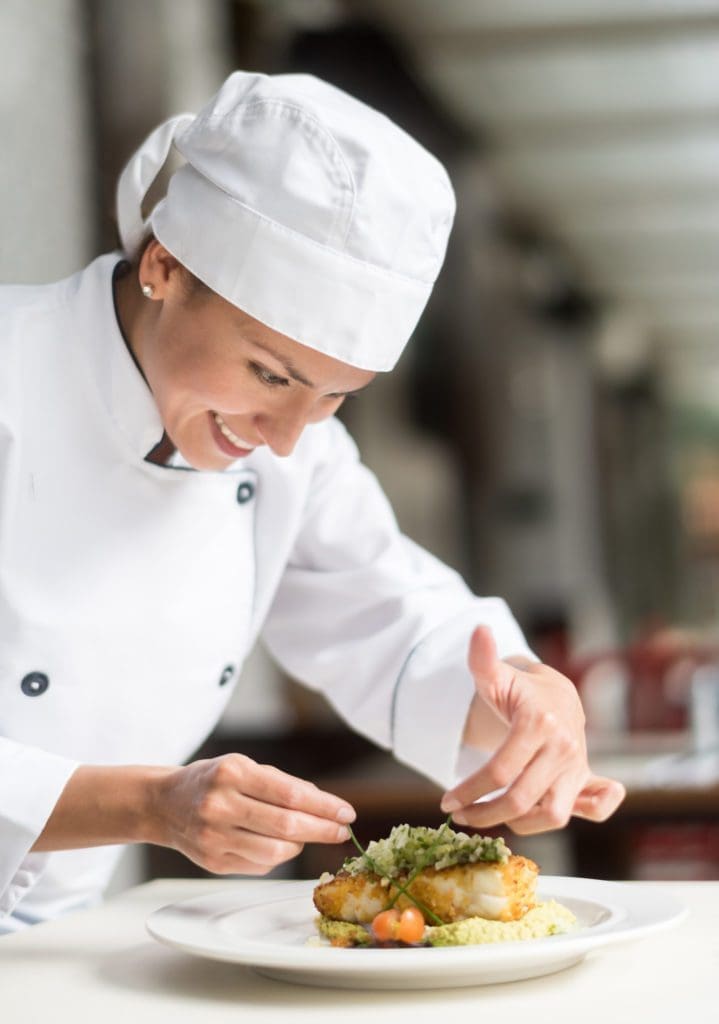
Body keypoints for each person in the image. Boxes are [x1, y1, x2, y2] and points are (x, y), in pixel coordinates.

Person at [0, 71, 624, 932]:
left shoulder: (289, 454)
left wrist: (524, 702)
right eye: (269, 373)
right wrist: (149, 806)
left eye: (335, 395)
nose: (288, 435)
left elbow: (390, 618)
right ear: (164, 266)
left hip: (50, 943)